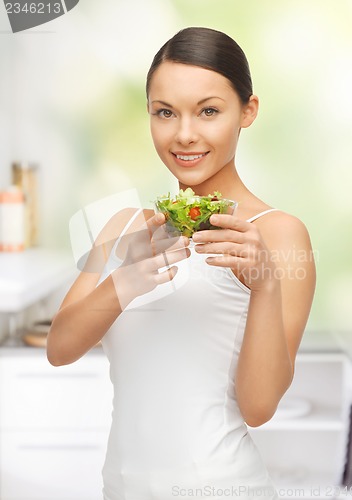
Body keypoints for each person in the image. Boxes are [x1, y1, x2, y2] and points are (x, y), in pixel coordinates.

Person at [47, 27, 316, 500]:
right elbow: (60, 348)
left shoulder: (277, 234)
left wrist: (266, 284)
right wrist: (127, 280)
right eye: (165, 113)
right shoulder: (125, 225)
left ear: (247, 111)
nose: (184, 134)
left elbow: (258, 407)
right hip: (121, 489)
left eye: (209, 111)